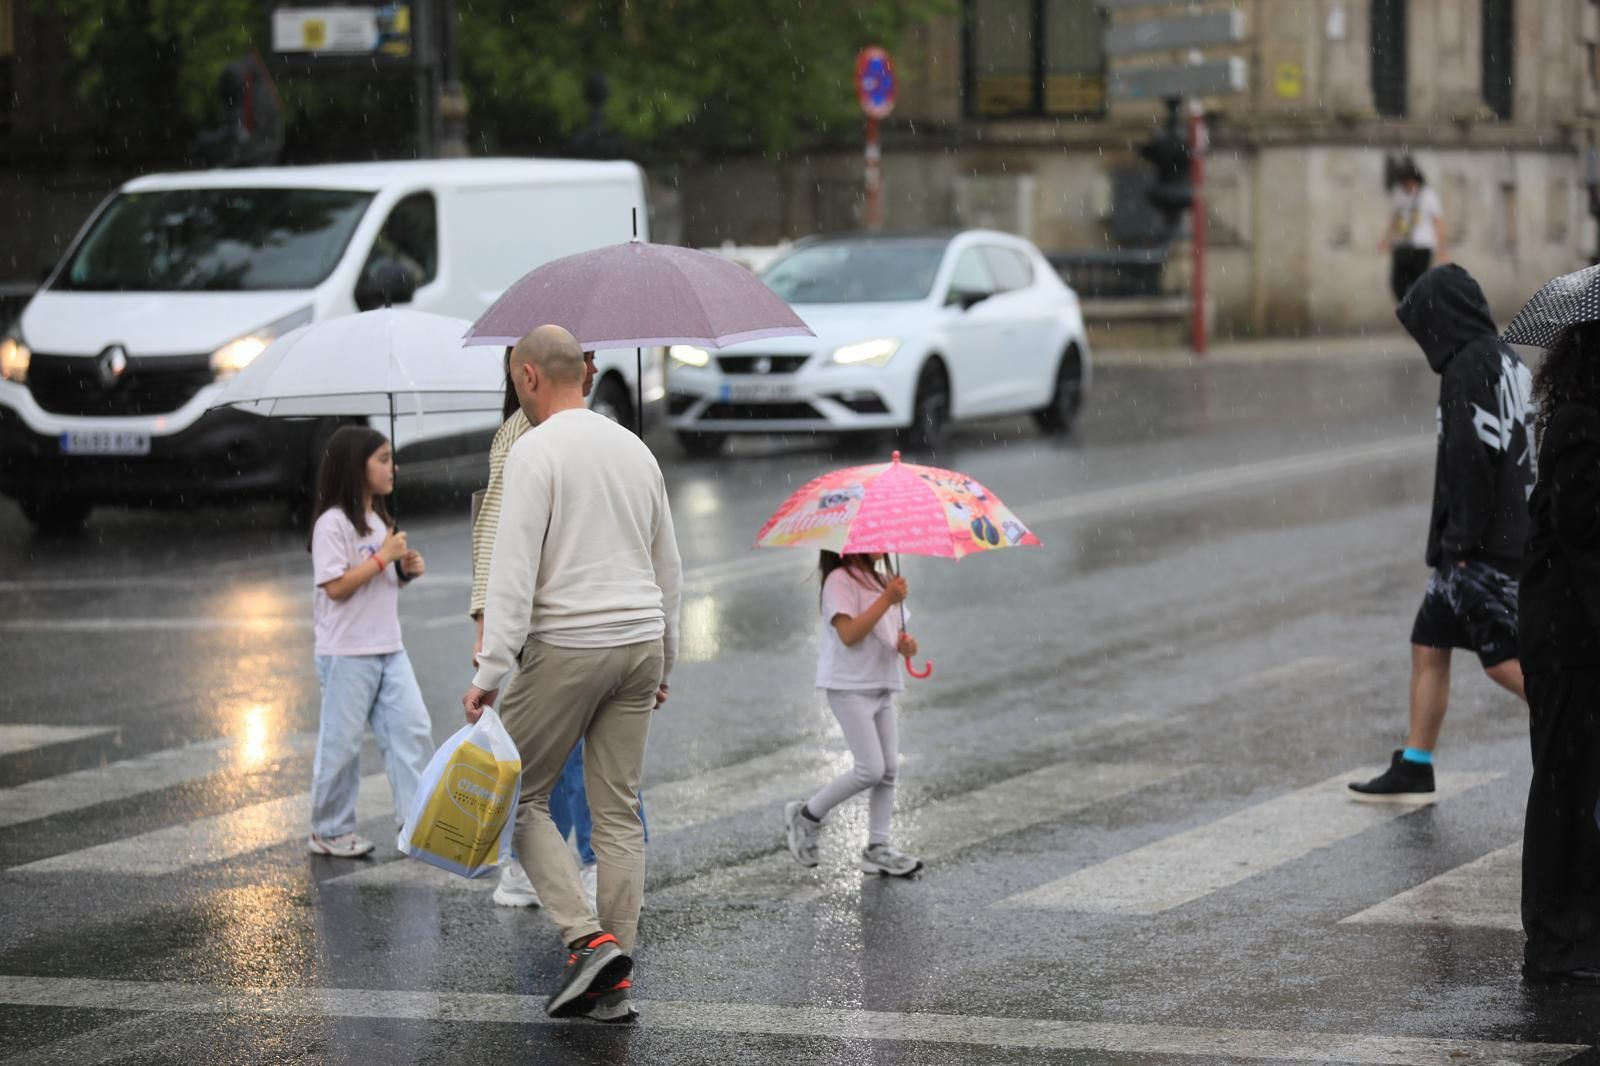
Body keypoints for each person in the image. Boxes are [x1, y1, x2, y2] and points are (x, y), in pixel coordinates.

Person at [464, 325, 681, 1024]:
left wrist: (492, 669)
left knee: (515, 795)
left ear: (528, 377)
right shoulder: (635, 448)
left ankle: (587, 941)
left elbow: (513, 569)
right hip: (640, 641)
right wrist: (665, 658)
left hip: (570, 645)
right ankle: (614, 979)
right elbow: (667, 568)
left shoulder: (533, 450)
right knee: (618, 815)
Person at [1350, 265, 1533, 802]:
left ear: (1442, 320)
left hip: (1479, 548)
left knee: (1503, 661)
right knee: (1428, 642)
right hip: (1502, 535)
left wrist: (1459, 545)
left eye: (1423, 327)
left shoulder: (1463, 372)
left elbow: (1469, 462)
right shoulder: (1506, 361)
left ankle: (1580, 726)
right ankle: (1416, 761)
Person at [470, 349, 625, 912]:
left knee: (585, 766)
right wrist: (489, 634)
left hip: (585, 623)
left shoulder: (600, 432)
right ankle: (556, 870)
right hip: (552, 628)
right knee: (550, 767)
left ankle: (585, 875)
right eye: (584, 355)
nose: (593, 363)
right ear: (535, 370)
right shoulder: (521, 439)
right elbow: (497, 545)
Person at [306, 426, 433, 858]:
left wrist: (404, 570)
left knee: (410, 730)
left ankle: (415, 823)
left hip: (388, 646)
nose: (391, 467)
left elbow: (382, 582)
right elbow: (336, 587)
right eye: (382, 458)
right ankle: (329, 829)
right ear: (355, 467)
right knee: (341, 744)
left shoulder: (380, 520)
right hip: (347, 652)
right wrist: (384, 558)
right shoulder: (333, 524)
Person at [1519, 320, 1600, 985]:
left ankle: (1581, 930)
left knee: (1581, 786)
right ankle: (1552, 943)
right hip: (1566, 637)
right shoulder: (1577, 425)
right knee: (1562, 790)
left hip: (1577, 633)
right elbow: (1582, 539)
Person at [783, 552, 924, 878]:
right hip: (849, 688)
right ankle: (806, 815)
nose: (882, 543)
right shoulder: (839, 581)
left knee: (888, 769)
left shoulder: (884, 579)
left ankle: (878, 848)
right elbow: (849, 634)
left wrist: (906, 645)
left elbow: (890, 633)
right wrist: (887, 599)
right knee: (870, 769)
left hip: (881, 685)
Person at [1380, 157, 1448, 303]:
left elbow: (1438, 222)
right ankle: (1407, 307)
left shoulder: (1428, 195)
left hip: (1422, 246)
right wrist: (1386, 240)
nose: (1407, 183)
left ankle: (1418, 311)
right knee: (1397, 282)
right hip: (1402, 245)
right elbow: (1394, 219)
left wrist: (1442, 250)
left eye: (1409, 179)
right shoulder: (1398, 194)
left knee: (1419, 282)